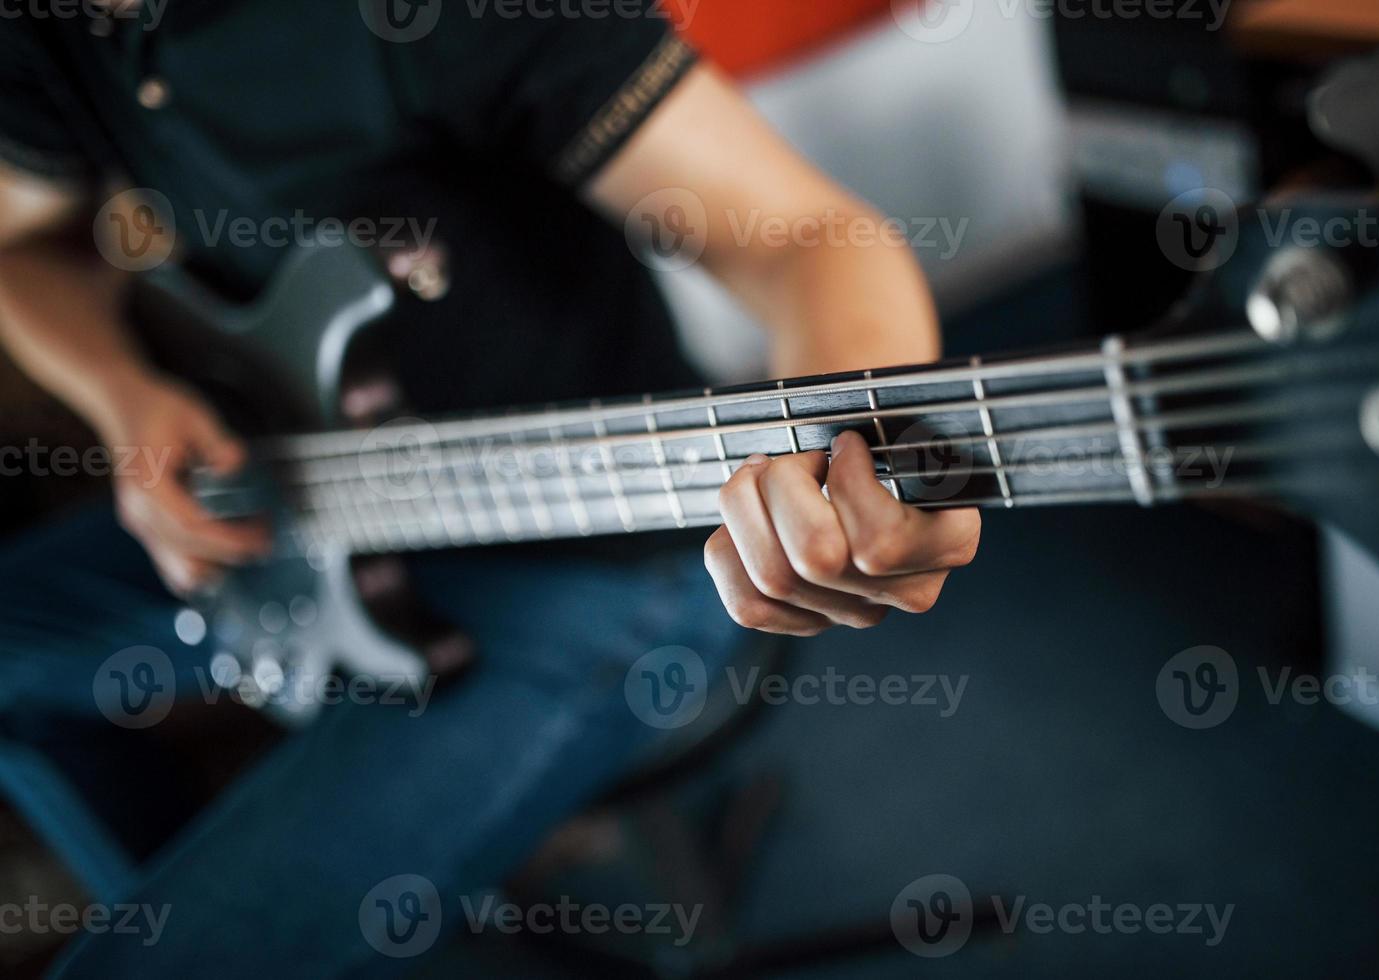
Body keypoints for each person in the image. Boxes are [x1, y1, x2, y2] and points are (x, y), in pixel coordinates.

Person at [0, 1, 981, 973]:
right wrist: (122, 392)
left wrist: (835, 455)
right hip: (281, 497)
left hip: (594, 557)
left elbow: (804, 235)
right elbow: (17, 243)